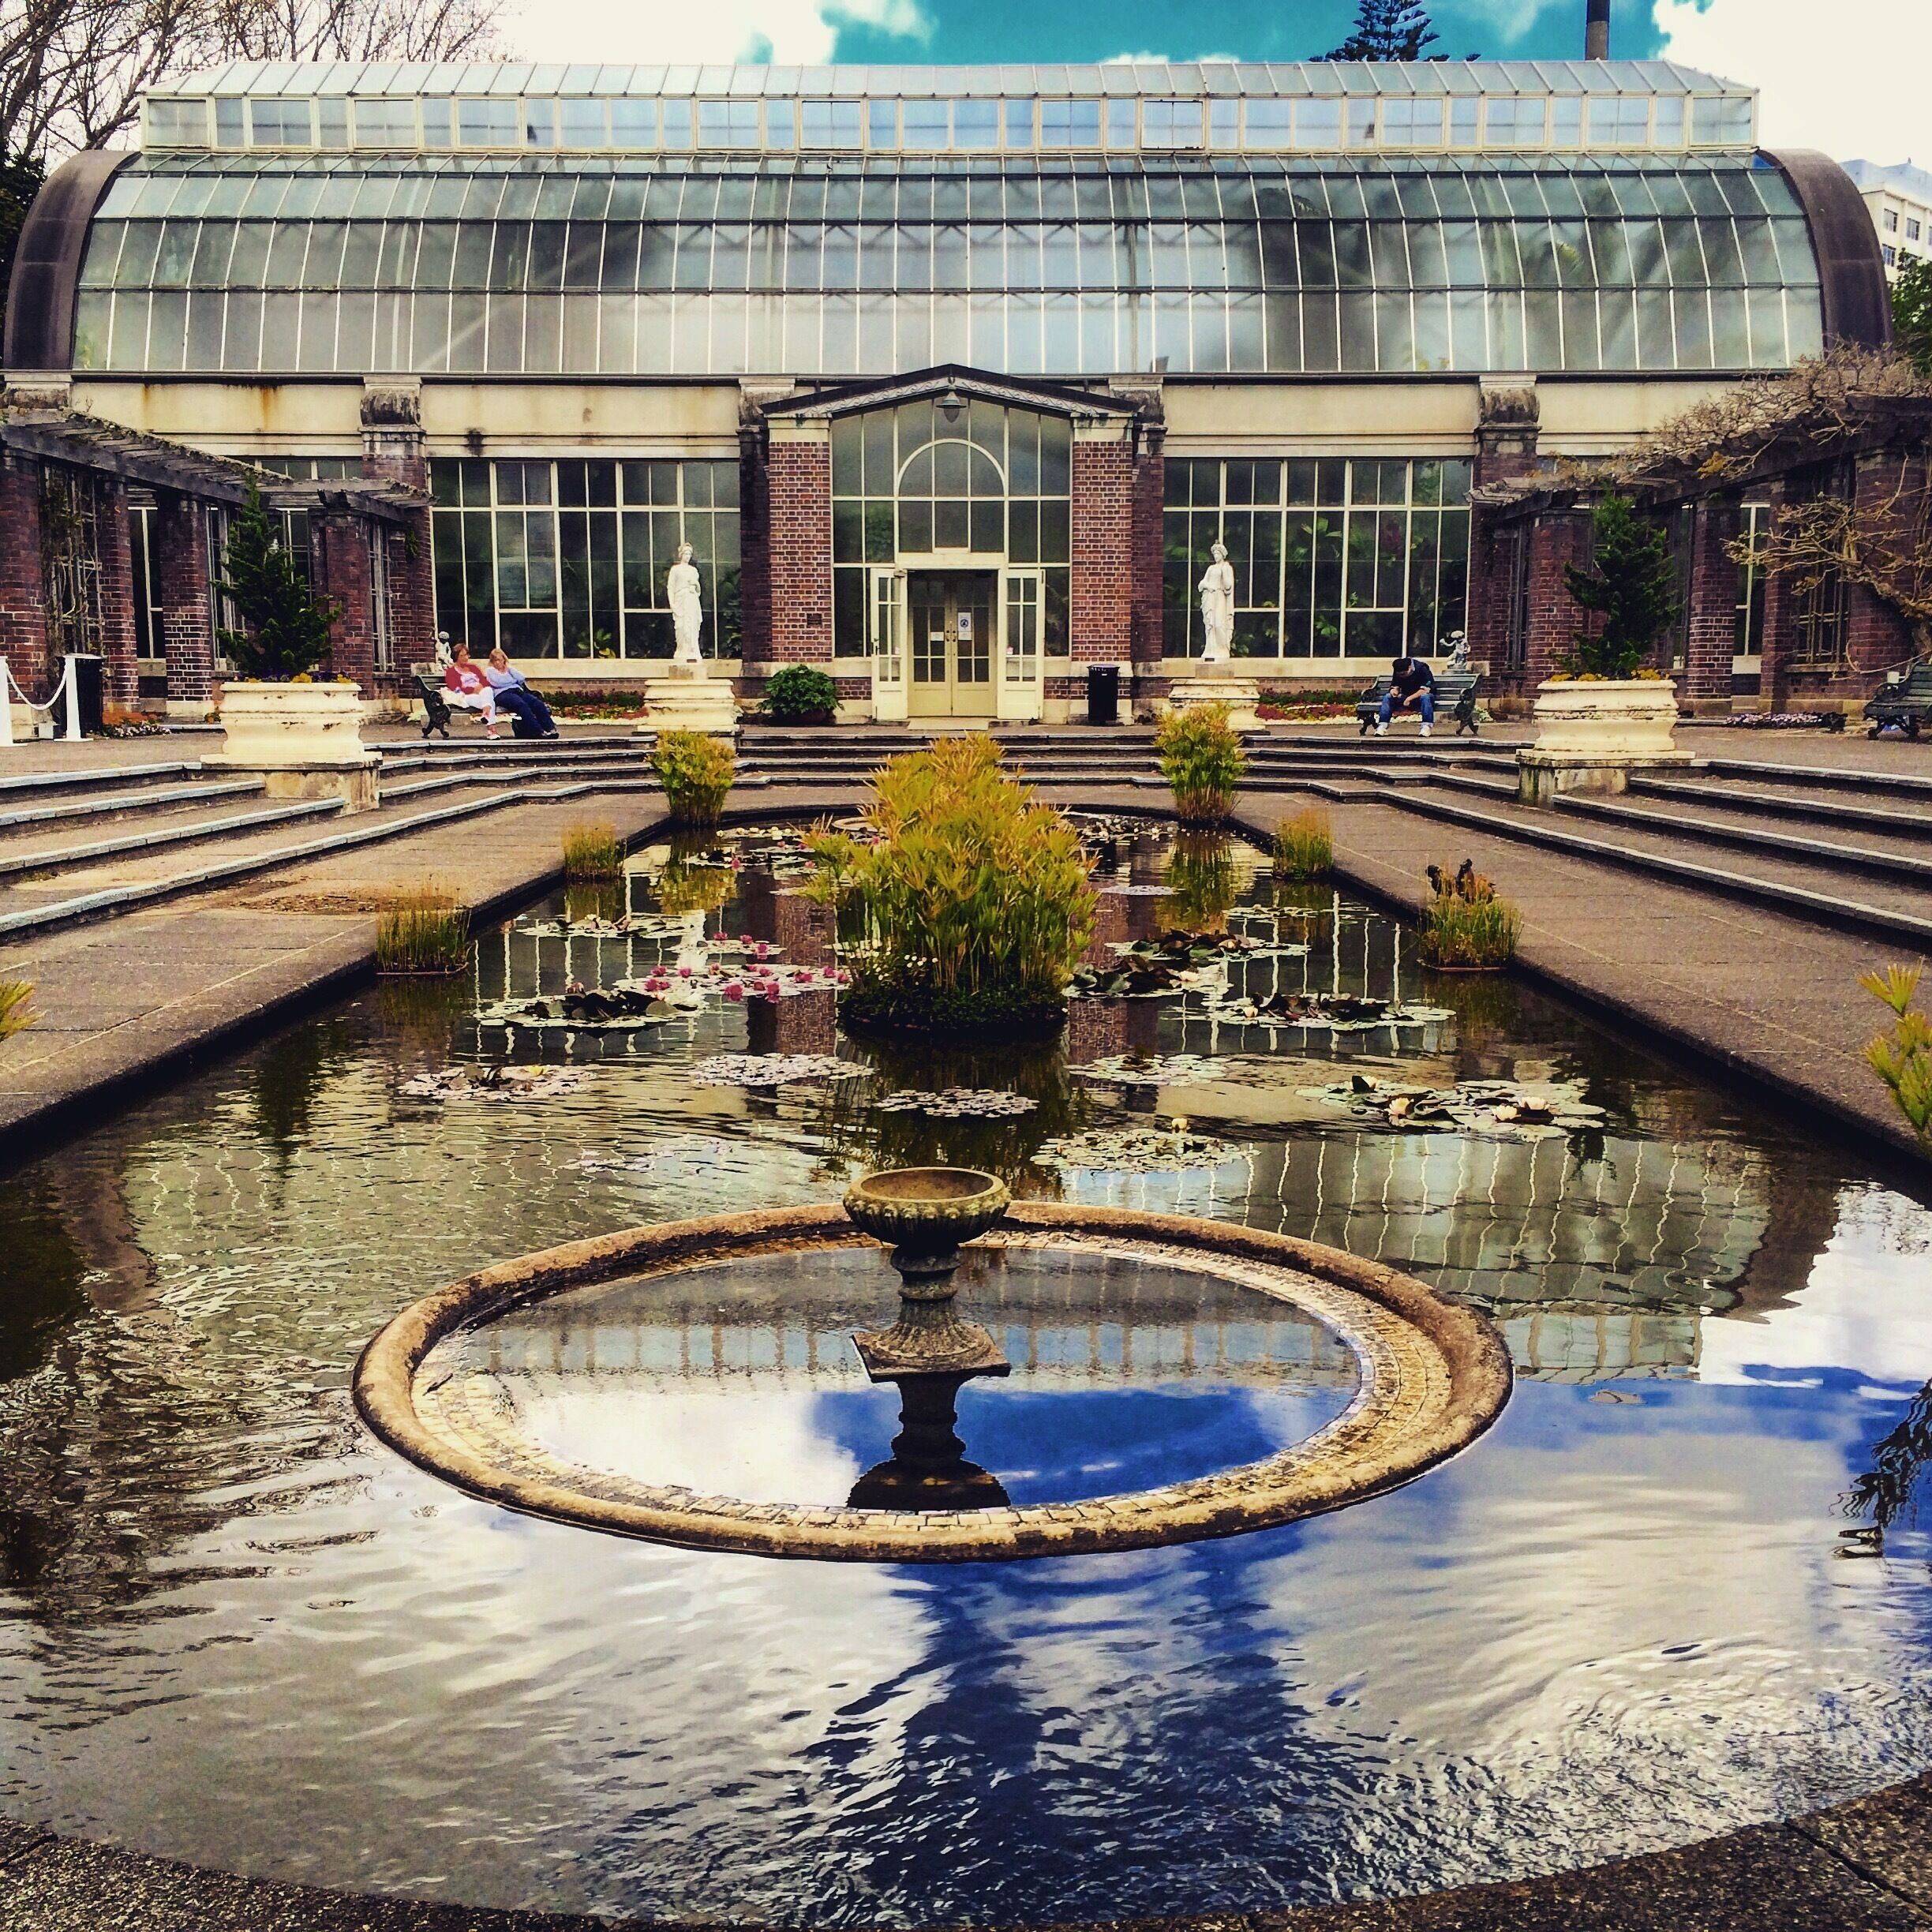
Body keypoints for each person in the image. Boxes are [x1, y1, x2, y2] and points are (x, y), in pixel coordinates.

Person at [485, 647, 559, 739]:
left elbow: (521, 678)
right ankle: (538, 731)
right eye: (494, 660)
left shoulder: (510, 670)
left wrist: (509, 670)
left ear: (504, 659)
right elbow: (498, 683)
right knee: (522, 705)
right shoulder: (490, 671)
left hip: (517, 691)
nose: (497, 663)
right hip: (503, 694)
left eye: (499, 660)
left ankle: (550, 729)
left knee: (537, 703)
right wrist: (512, 681)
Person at [443, 642, 500, 736]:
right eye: (462, 655)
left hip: (482, 694)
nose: (466, 657)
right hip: (466, 697)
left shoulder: (473, 668)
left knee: (488, 691)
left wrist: (480, 687)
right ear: (456, 657)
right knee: (489, 702)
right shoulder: (451, 672)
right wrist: (472, 690)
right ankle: (491, 729)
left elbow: (485, 682)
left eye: (467, 655)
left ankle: (486, 716)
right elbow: (456, 689)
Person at [1377, 651, 1436, 737]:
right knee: (1388, 697)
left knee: (1426, 697)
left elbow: (1425, 690)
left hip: (1420, 697)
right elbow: (1395, 685)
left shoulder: (1422, 668)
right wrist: (1394, 691)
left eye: (1404, 674)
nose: (1402, 676)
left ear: (1409, 667)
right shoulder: (1398, 669)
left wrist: (1409, 699)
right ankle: (1382, 726)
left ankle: (1426, 727)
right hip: (1405, 696)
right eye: (1399, 675)